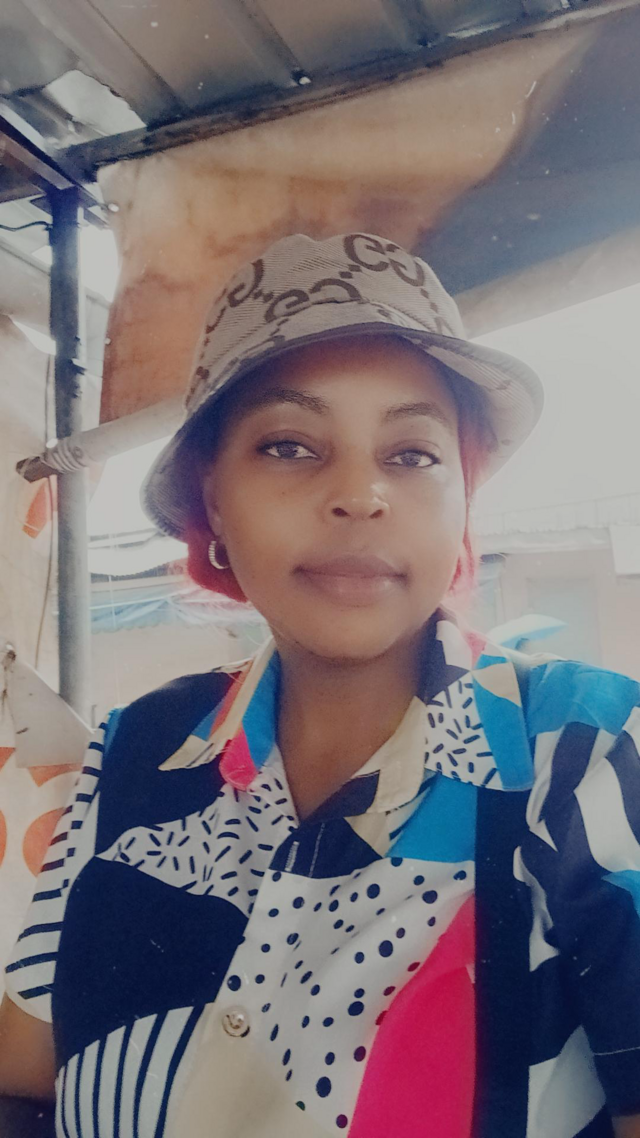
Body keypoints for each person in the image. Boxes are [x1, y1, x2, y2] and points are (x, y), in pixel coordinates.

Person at [1, 232, 639, 1138]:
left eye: (412, 454)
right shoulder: (135, 750)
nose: (360, 494)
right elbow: (30, 1058)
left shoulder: (585, 757)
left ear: (462, 497)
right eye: (290, 445)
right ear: (213, 501)